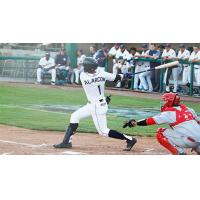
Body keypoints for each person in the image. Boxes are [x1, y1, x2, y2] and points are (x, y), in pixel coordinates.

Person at [53, 57, 137, 151]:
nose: (84, 67)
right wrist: (124, 76)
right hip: (93, 105)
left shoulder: (83, 76)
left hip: (97, 106)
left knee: (103, 131)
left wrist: (122, 76)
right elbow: (115, 78)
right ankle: (66, 142)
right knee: (75, 116)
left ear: (89, 68)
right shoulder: (100, 73)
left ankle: (130, 139)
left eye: (85, 66)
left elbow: (112, 78)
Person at [123, 93, 200, 155]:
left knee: (160, 132)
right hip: (198, 141)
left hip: (189, 141)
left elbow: (151, 121)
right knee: (192, 134)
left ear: (170, 102)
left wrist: (136, 123)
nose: (164, 103)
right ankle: (198, 147)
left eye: (165, 101)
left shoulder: (169, 113)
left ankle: (179, 153)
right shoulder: (189, 109)